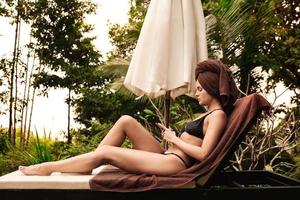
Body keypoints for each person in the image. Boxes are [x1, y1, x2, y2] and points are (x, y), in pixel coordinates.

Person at [19, 59, 238, 176]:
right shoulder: (210, 114)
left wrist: (175, 139)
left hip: (174, 163)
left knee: (105, 152)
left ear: (211, 88)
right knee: (126, 120)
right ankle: (87, 163)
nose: (197, 92)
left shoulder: (217, 116)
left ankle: (48, 167)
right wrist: (173, 140)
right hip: (167, 155)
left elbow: (204, 154)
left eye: (200, 88)